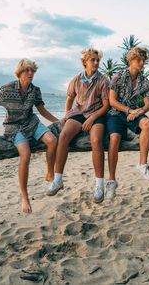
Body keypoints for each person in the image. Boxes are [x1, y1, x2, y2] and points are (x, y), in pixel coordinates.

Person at [0, 59, 58, 213]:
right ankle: (24, 197)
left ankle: (50, 172)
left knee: (52, 140)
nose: (30, 73)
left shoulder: (35, 90)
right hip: (14, 127)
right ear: (20, 72)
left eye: (32, 71)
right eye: (27, 70)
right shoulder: (6, 89)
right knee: (26, 154)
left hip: (32, 123)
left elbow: (42, 110)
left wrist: (58, 121)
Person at [47, 47, 109, 203]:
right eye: (92, 60)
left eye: (97, 60)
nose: (95, 62)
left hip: (97, 113)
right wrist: (67, 115)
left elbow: (106, 105)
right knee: (64, 135)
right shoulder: (76, 79)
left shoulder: (103, 80)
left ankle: (99, 185)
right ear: (84, 62)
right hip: (79, 112)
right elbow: (70, 98)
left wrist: (92, 118)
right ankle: (58, 179)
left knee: (96, 140)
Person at [105, 46, 149, 200]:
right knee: (114, 139)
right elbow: (112, 101)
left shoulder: (143, 80)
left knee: (147, 124)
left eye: (143, 60)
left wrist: (138, 112)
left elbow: (148, 104)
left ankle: (143, 165)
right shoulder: (118, 77)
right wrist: (129, 111)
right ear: (131, 59)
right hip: (116, 113)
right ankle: (111, 181)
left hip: (134, 113)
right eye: (139, 60)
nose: (141, 63)